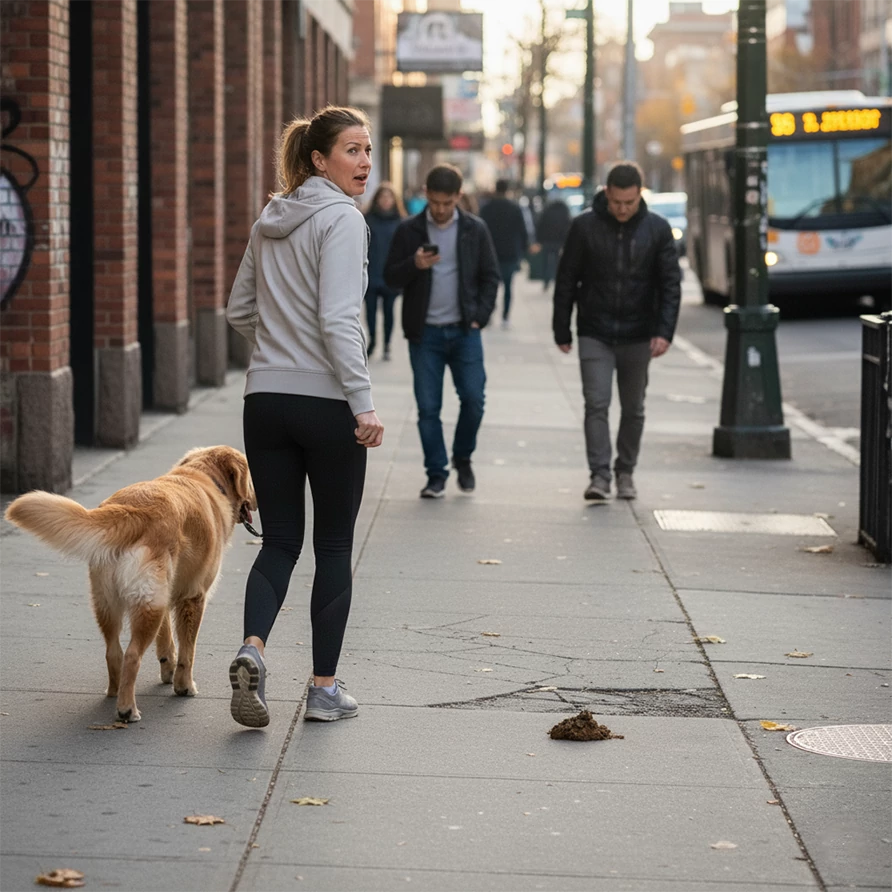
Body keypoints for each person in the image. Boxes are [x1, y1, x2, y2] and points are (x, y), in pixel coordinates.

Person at [225, 107, 384, 728]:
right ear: (319, 159)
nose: (364, 163)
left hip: (264, 402)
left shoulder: (270, 221)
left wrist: (277, 353)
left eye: (368, 150)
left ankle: (251, 649)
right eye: (352, 150)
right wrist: (362, 402)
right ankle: (322, 689)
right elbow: (339, 318)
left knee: (281, 540)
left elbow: (240, 309)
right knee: (334, 543)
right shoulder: (342, 220)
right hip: (326, 405)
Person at [552, 161, 681, 502]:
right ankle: (599, 475)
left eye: (630, 202)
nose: (623, 209)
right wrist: (561, 327)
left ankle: (626, 472)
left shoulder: (657, 229)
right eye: (617, 202)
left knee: (633, 407)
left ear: (640, 195)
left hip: (640, 333)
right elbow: (567, 279)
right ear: (606, 194)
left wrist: (664, 331)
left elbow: (670, 285)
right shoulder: (584, 227)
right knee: (596, 403)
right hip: (595, 329)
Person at [384, 163, 500, 499]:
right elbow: (390, 277)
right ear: (426, 196)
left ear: (458, 198)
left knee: (474, 400)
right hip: (425, 335)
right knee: (428, 408)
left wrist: (480, 315)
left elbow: (491, 276)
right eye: (434, 202)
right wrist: (413, 265)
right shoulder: (409, 231)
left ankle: (462, 457)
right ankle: (436, 474)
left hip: (465, 331)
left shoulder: (474, 230)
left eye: (447, 203)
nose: (440, 210)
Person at [364, 182, 405, 360]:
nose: (386, 200)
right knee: (370, 313)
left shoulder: (401, 222)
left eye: (389, 197)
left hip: (391, 276)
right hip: (371, 274)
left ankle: (387, 344)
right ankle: (372, 340)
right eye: (383, 197)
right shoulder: (367, 220)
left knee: (389, 313)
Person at [479, 179, 529, 327]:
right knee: (508, 286)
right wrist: (524, 249)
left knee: (490, 284)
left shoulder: (487, 208)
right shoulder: (514, 208)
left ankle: (490, 311)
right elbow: (522, 230)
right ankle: (505, 316)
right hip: (510, 252)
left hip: (491, 252)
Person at [535, 197, 572, 289]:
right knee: (557, 262)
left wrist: (539, 240)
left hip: (547, 241)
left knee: (546, 261)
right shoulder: (564, 213)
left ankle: (546, 280)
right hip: (558, 242)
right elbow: (567, 227)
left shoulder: (547, 212)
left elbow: (540, 226)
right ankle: (557, 279)